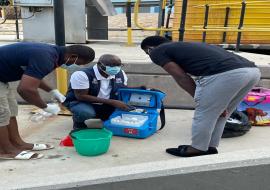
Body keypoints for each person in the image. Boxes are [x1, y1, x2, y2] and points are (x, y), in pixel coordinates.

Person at [141, 36, 261, 157]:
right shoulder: (184, 46)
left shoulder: (157, 51)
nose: (149, 55)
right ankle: (210, 146)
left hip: (227, 74)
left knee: (204, 112)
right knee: (221, 113)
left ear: (150, 48)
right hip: (252, 72)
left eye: (147, 53)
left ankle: (197, 148)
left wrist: (199, 99)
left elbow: (181, 77)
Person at [0, 42, 95, 160]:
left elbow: (34, 76)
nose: (76, 66)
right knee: (2, 114)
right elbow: (25, 89)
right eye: (78, 63)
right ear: (73, 56)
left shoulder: (52, 54)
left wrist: (53, 91)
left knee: (11, 111)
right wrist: (45, 107)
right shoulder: (45, 57)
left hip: (2, 79)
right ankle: (6, 150)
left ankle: (18, 143)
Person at [64, 54, 134, 129]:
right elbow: (81, 96)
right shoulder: (82, 74)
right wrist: (112, 102)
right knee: (85, 113)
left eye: (118, 65)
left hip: (106, 104)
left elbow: (123, 89)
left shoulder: (121, 74)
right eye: (111, 66)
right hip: (82, 102)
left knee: (127, 110)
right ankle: (79, 122)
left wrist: (139, 89)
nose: (115, 68)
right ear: (100, 65)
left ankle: (104, 116)